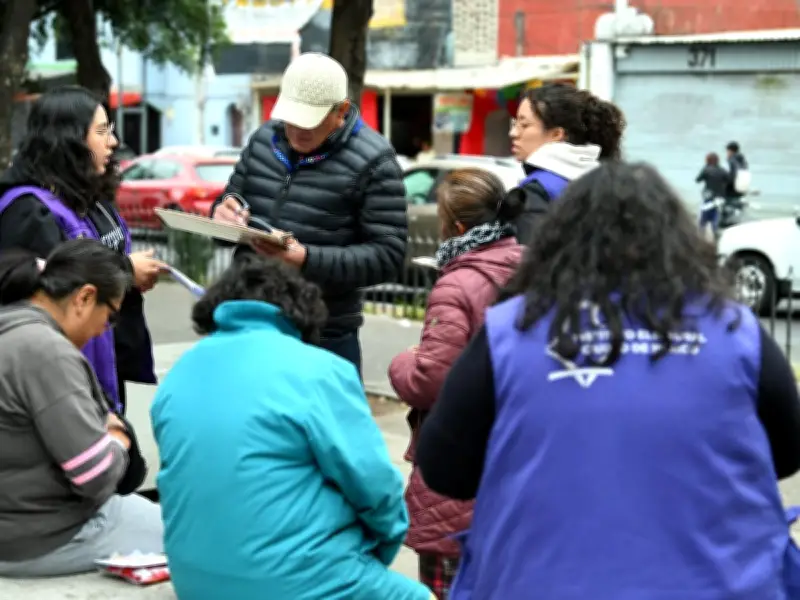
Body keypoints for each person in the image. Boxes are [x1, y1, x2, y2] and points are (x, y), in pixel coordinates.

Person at [415, 162, 800, 599]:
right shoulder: (736, 331)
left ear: (560, 242)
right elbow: (785, 455)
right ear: (678, 242)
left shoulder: (510, 332)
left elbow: (445, 469)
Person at [151, 254, 433, 600]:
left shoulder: (181, 371)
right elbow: (374, 485)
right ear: (303, 315)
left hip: (193, 579)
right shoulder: (320, 370)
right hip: (296, 581)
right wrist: (380, 551)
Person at [210, 52, 408, 375]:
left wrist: (306, 258)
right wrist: (222, 214)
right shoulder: (263, 141)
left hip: (323, 333)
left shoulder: (375, 162)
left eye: (311, 120)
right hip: (250, 319)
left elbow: (388, 256)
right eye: (292, 118)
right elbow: (230, 200)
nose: (299, 129)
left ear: (341, 111)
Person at [388, 169, 524, 599]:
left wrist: (401, 362)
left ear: (457, 227)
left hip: (460, 463)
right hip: (518, 456)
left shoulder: (457, 284)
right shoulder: (535, 268)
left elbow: (430, 381)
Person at [0, 239, 163, 578]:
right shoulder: (45, 351)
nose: (103, 330)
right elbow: (94, 476)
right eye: (110, 316)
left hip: (17, 522)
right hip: (45, 535)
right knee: (195, 539)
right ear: (85, 297)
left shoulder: (10, 326)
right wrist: (117, 437)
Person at [0, 86, 164, 414]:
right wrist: (125, 272)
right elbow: (48, 292)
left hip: (105, 363)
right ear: (69, 138)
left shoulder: (86, 193)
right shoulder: (28, 210)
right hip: (61, 382)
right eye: (101, 132)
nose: (113, 142)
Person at [507, 83, 626, 244]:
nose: (513, 133)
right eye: (515, 123)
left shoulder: (537, 191)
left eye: (524, 125)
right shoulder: (610, 184)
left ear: (557, 134)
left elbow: (530, 255)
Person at [695, 152, 729, 240]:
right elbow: (729, 180)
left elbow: (697, 180)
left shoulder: (706, 169)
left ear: (708, 160)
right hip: (720, 198)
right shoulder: (722, 170)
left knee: (703, 219)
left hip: (708, 196)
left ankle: (700, 237)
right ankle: (716, 236)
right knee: (715, 217)